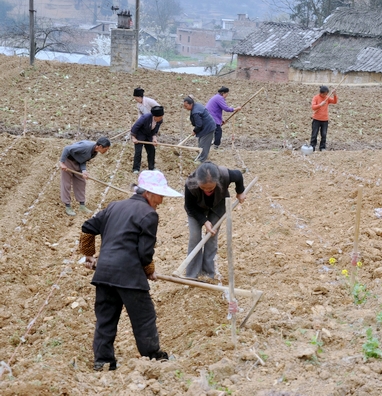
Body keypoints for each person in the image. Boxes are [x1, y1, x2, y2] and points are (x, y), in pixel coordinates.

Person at [79, 170, 183, 371]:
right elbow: (144, 253)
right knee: (144, 317)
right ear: (149, 193)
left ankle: (103, 361)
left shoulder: (114, 206)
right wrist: (149, 269)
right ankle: (153, 357)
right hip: (129, 275)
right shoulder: (149, 214)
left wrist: (88, 254)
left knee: (106, 318)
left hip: (104, 274)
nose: (161, 201)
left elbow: (87, 227)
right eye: (160, 195)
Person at [184, 161, 247, 280]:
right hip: (196, 210)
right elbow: (190, 206)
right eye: (203, 188)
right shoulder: (190, 183)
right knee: (195, 238)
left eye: (210, 188)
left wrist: (240, 191)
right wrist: (204, 221)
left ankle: (208, 274)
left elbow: (238, 175)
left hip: (218, 206)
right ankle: (192, 275)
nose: (207, 190)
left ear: (217, 182)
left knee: (211, 237)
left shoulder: (224, 175)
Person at [59, 137, 111, 216]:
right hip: (68, 162)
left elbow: (83, 160)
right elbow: (67, 148)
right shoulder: (85, 147)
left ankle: (82, 205)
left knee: (81, 182)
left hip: (77, 163)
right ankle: (68, 206)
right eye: (106, 149)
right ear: (100, 147)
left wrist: (84, 170)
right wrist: (62, 163)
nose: (106, 151)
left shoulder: (94, 152)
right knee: (66, 184)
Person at [131, 105, 164, 174]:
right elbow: (135, 127)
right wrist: (133, 137)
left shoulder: (160, 121)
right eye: (160, 117)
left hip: (149, 135)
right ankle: (136, 169)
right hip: (140, 135)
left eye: (162, 117)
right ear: (155, 116)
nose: (161, 118)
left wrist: (154, 138)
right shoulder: (145, 118)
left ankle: (151, 167)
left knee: (151, 150)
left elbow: (155, 130)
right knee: (138, 152)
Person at [183, 96, 216, 163]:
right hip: (205, 127)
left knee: (203, 145)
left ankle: (201, 160)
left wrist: (194, 131)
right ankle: (199, 157)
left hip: (208, 128)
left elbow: (199, 125)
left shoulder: (195, 112)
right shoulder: (196, 105)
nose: (185, 108)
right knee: (200, 143)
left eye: (186, 106)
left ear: (191, 104)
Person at [310, 85, 338, 152]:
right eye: (325, 94)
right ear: (321, 93)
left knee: (324, 134)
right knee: (314, 134)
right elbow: (313, 107)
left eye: (327, 94)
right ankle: (312, 147)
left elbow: (335, 101)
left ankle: (322, 147)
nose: (326, 95)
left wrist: (334, 95)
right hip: (316, 119)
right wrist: (320, 104)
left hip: (325, 120)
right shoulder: (316, 98)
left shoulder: (327, 98)